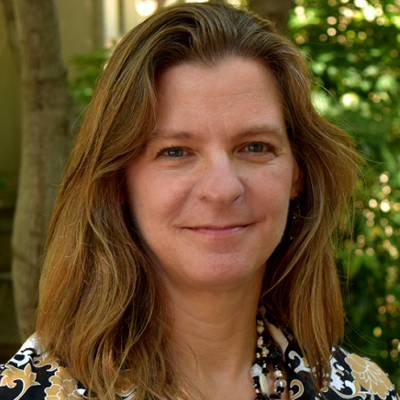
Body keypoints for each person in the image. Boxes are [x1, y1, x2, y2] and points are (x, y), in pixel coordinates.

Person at [0, 2, 398, 400]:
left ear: (298, 173)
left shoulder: (362, 391)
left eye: (255, 146)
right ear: (117, 181)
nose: (222, 188)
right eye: (176, 151)